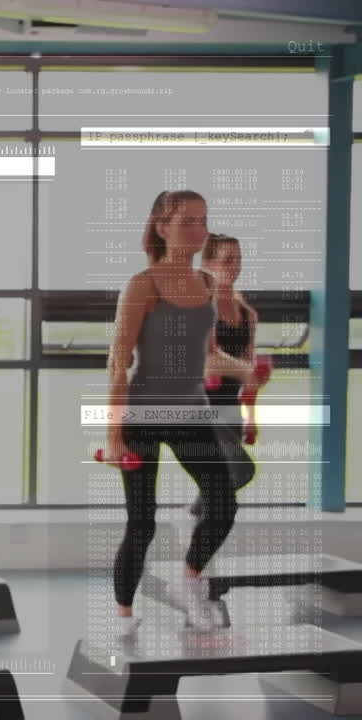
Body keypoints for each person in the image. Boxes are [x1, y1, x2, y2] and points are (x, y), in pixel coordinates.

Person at [103, 190, 262, 637]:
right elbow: (119, 362)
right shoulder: (143, 285)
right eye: (188, 220)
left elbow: (208, 355)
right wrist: (113, 435)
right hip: (144, 415)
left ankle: (190, 579)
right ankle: (124, 615)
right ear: (162, 227)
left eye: (203, 220)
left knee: (223, 503)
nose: (199, 229)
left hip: (192, 413)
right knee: (142, 522)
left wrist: (246, 371)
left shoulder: (208, 286)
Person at [189, 233, 261, 517]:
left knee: (220, 476)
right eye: (227, 260)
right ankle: (200, 522)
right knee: (241, 471)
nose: (235, 266)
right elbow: (207, 359)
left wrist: (251, 418)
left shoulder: (247, 314)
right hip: (202, 404)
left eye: (238, 259)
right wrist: (245, 371)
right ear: (208, 263)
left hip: (229, 405)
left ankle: (198, 529)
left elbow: (249, 376)